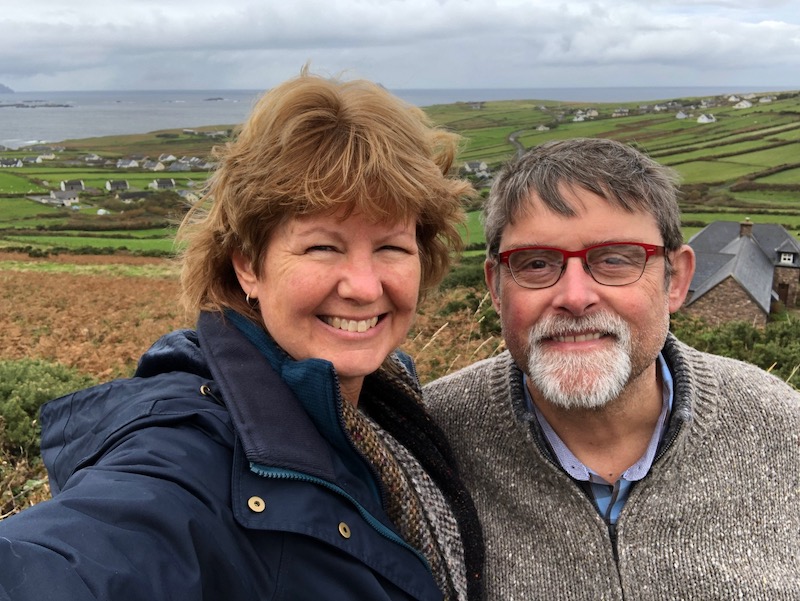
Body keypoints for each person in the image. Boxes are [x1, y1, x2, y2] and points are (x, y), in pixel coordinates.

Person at [0, 69, 484, 601]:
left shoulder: (390, 407)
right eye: (323, 246)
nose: (364, 287)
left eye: (392, 247)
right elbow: (78, 562)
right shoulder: (187, 450)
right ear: (248, 266)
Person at [424, 137, 800, 600]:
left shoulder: (783, 428)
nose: (576, 297)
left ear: (676, 280)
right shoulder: (427, 436)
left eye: (616, 259)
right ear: (496, 288)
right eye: (537, 263)